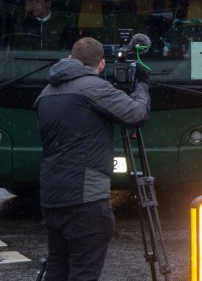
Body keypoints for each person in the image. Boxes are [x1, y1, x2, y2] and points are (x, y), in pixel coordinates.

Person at [35, 36, 151, 280]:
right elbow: (136, 114)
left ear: (70, 58)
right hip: (85, 199)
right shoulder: (93, 88)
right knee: (84, 273)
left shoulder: (46, 92)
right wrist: (142, 86)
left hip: (52, 197)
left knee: (58, 269)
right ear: (101, 65)